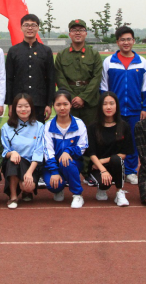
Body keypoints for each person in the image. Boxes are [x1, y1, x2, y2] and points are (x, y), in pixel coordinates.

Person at [54, 19, 102, 186]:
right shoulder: (62, 55)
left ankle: (88, 171)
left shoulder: (93, 54)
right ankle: (68, 169)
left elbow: (96, 78)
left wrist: (83, 98)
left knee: (89, 136)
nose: (78, 33)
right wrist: (71, 98)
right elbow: (60, 77)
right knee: (68, 136)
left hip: (90, 101)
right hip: (69, 102)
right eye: (74, 30)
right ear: (69, 34)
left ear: (86, 33)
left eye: (81, 29)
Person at [100, 26, 146, 185]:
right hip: (115, 111)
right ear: (117, 42)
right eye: (122, 40)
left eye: (129, 39)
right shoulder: (109, 62)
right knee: (113, 141)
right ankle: (113, 171)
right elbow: (104, 88)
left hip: (135, 110)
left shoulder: (142, 62)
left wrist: (144, 108)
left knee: (133, 141)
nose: (126, 42)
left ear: (133, 41)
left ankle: (130, 171)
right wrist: (106, 108)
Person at [5, 14, 56, 123]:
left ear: (38, 28)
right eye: (26, 25)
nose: (30, 28)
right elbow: (8, 79)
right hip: (19, 103)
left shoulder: (46, 51)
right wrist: (10, 104)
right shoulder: (14, 51)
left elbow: (51, 79)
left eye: (33, 25)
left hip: (39, 101)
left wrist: (49, 104)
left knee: (38, 131)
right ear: (21, 28)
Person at [43, 90, 89, 209]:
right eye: (58, 104)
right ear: (53, 106)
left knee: (66, 162)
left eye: (65, 104)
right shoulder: (48, 126)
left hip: (73, 163)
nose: (62, 108)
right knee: (54, 186)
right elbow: (48, 151)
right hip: (54, 164)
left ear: (70, 105)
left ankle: (77, 194)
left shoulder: (79, 124)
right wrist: (54, 171)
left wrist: (67, 151)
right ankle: (60, 188)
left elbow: (83, 146)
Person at [85, 92, 132, 207]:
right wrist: (102, 169)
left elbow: (123, 154)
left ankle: (119, 192)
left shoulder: (124, 126)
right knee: (104, 183)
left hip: (115, 165)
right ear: (100, 107)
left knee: (116, 159)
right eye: (105, 104)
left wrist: (103, 161)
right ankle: (102, 189)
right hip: (96, 166)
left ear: (117, 106)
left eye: (112, 103)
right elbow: (91, 152)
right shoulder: (92, 127)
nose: (108, 107)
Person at [1, 94, 46, 209]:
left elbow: (39, 151)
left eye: (26, 106)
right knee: (13, 161)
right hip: (14, 163)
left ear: (31, 108)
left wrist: (29, 172)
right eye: (19, 106)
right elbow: (4, 151)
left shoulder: (39, 126)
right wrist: (12, 153)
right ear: (14, 108)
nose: (23, 109)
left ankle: (26, 192)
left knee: (27, 186)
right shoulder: (6, 127)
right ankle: (13, 196)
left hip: (31, 164)